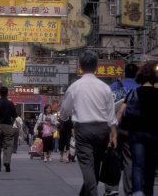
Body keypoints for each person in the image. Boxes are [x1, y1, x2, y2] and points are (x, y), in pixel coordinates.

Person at [60, 50, 117, 196]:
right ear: (97, 66)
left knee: (87, 166)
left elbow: (65, 110)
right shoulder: (105, 87)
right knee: (95, 165)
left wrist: (65, 119)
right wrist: (113, 134)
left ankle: (92, 193)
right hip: (102, 130)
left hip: (83, 130)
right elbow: (111, 114)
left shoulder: (75, 86)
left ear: (80, 66)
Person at [119, 63, 158, 196]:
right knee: (151, 166)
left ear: (140, 77)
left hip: (136, 134)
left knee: (137, 165)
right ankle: (148, 192)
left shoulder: (134, 92)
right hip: (154, 134)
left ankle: (137, 192)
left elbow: (124, 112)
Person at [104, 63, 139, 196]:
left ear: (123, 73)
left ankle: (111, 188)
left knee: (113, 157)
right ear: (137, 75)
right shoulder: (139, 89)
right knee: (129, 160)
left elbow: (105, 106)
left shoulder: (113, 87)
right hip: (132, 129)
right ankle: (129, 190)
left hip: (114, 127)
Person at [0, 86, 17, 172]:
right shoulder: (10, 103)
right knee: (8, 145)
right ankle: (7, 162)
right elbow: (15, 116)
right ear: (7, 93)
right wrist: (11, 124)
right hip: (8, 126)